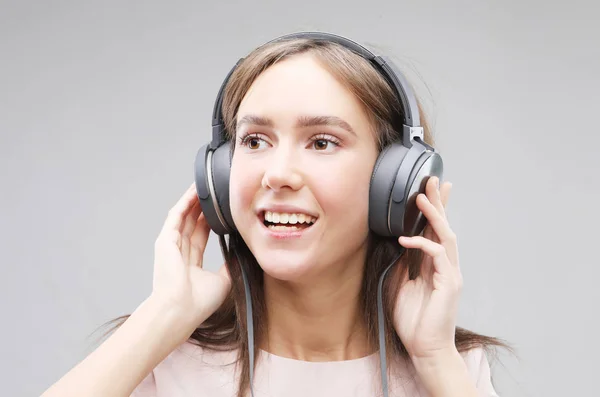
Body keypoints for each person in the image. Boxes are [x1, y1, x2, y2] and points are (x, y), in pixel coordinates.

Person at [41, 32, 509, 397]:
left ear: (396, 181)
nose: (278, 174)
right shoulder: (160, 358)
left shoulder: (453, 368)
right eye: (254, 141)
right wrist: (163, 315)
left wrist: (434, 360)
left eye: (322, 142)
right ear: (218, 177)